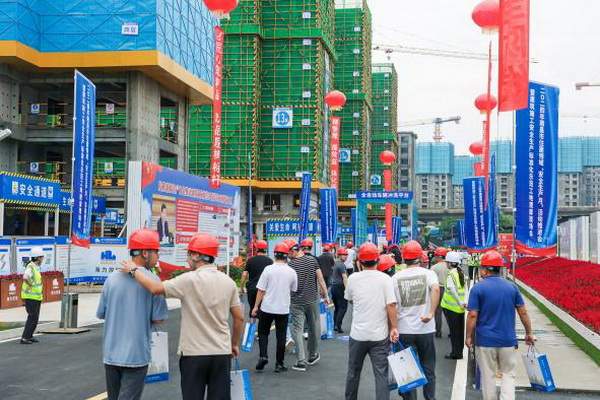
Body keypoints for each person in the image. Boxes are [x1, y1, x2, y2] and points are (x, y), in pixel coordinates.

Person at [120, 233, 244, 400]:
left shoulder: (188, 280)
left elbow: (155, 288)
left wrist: (133, 270)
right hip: (221, 353)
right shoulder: (228, 282)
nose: (187, 258)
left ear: (196, 255)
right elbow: (239, 318)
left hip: (194, 354)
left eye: (189, 254)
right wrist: (234, 344)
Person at [96, 229, 168, 400]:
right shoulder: (153, 282)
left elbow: (102, 313)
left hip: (111, 354)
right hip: (136, 355)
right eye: (156, 251)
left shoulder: (111, 279)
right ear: (145, 253)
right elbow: (158, 318)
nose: (158, 256)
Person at [466, 250, 535, 400]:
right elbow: (523, 312)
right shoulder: (512, 287)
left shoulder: (478, 288)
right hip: (508, 341)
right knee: (508, 374)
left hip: (485, 341)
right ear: (499, 269)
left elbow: (472, 315)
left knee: (488, 376)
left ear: (485, 270)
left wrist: (468, 336)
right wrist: (529, 333)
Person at [345, 243, 399, 400]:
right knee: (381, 374)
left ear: (359, 262)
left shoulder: (353, 279)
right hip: (379, 336)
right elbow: (391, 305)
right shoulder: (385, 279)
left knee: (353, 372)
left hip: (358, 335)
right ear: (378, 260)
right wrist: (394, 327)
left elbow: (350, 299)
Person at [393, 240, 440, 400]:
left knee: (407, 371)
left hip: (404, 329)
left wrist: (393, 327)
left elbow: (392, 305)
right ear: (420, 257)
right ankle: (430, 398)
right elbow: (435, 289)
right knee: (428, 367)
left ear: (404, 258)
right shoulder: (429, 274)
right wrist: (431, 313)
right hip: (425, 329)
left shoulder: (396, 277)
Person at [251, 242, 297, 373]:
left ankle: (263, 356)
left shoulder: (268, 269)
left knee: (263, 333)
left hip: (267, 307)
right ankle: (279, 363)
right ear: (287, 255)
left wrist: (255, 307)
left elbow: (261, 290)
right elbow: (294, 289)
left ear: (275, 254)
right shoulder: (291, 271)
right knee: (281, 336)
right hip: (283, 308)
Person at [289, 238, 330, 372]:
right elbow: (320, 278)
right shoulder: (312, 260)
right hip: (312, 299)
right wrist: (326, 294)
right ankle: (312, 355)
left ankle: (301, 361)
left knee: (297, 330)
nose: (287, 256)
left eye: (288, 253)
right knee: (314, 327)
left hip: (296, 302)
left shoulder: (290, 265)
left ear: (293, 251)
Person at [440, 251, 466, 359]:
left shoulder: (451, 274)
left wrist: (459, 302)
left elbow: (451, 289)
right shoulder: (460, 272)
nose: (446, 264)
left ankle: (455, 353)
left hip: (451, 308)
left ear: (450, 263)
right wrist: (462, 302)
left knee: (454, 332)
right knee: (459, 332)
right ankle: (459, 352)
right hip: (460, 309)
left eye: (447, 262)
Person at [240, 240, 273, 317]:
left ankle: (252, 323)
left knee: (253, 309)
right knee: (263, 311)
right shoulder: (270, 261)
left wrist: (241, 287)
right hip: (264, 290)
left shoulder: (250, 260)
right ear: (265, 249)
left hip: (252, 288)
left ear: (256, 249)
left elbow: (244, 274)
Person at [20, 246, 45, 344]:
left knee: (35, 317)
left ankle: (29, 336)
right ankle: (25, 338)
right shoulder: (30, 266)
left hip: (36, 297)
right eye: (41, 257)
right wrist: (32, 284)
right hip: (30, 297)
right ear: (38, 257)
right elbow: (25, 277)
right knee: (32, 317)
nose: (42, 259)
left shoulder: (35, 267)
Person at [431, 247, 449, 338]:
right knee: (449, 312)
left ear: (439, 256)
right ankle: (452, 332)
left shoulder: (434, 267)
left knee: (438, 311)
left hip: (438, 289)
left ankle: (438, 331)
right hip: (449, 290)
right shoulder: (450, 266)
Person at [331, 248, 349, 333]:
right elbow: (344, 277)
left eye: (346, 255)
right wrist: (347, 289)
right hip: (340, 287)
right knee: (343, 307)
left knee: (337, 308)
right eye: (343, 255)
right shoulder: (341, 265)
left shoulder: (335, 263)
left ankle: (335, 325)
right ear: (339, 255)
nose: (345, 257)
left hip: (333, 287)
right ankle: (338, 325)